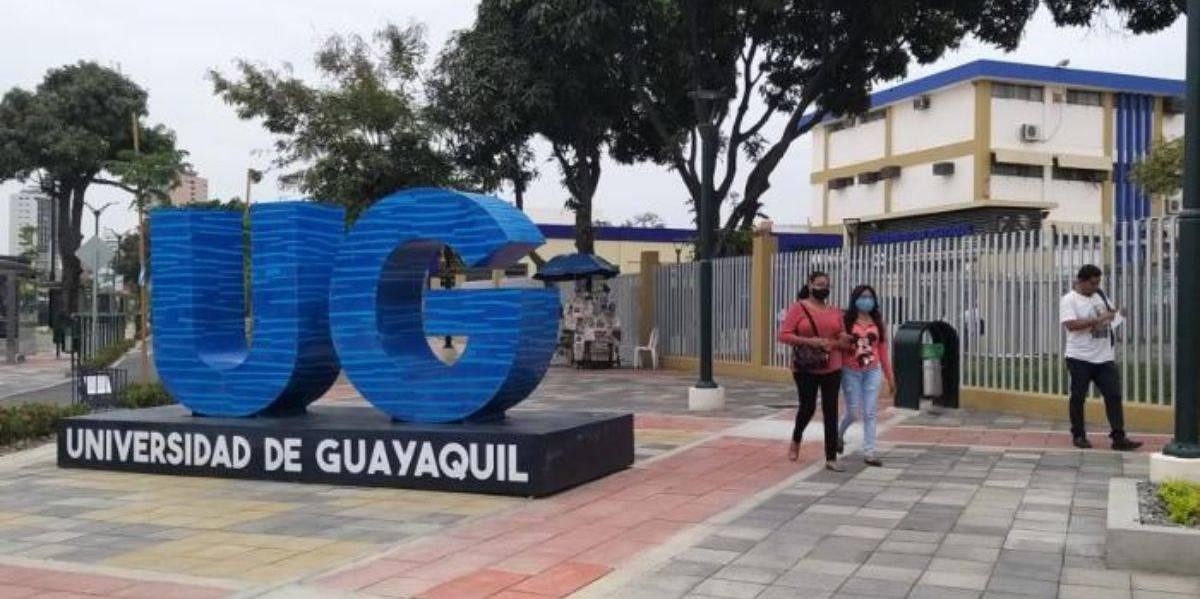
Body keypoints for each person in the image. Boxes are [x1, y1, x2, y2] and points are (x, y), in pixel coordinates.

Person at [1060, 264, 1142, 451]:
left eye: (1098, 283)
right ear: (1081, 281)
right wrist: (1097, 320)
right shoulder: (1069, 300)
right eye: (1092, 283)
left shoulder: (1100, 296)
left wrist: (1118, 314)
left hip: (1104, 357)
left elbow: (1110, 316)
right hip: (1079, 356)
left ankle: (1119, 437)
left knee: (1113, 395)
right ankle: (1079, 435)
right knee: (1078, 396)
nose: (1096, 286)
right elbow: (1071, 325)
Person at [778, 272, 852, 471]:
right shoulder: (798, 308)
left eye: (827, 285)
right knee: (807, 407)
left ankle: (831, 457)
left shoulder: (835, 311)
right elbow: (784, 335)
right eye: (819, 284)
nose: (823, 288)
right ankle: (796, 438)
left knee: (831, 410)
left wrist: (843, 339)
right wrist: (810, 341)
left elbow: (840, 335)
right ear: (810, 285)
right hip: (806, 367)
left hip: (832, 366)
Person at [839, 285, 894, 467]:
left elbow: (884, 351)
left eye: (870, 297)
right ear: (855, 299)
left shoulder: (877, 322)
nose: (866, 300)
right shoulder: (846, 321)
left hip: (872, 371)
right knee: (853, 412)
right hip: (851, 371)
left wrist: (890, 377)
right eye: (862, 296)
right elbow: (838, 345)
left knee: (870, 412)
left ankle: (869, 452)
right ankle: (838, 435)